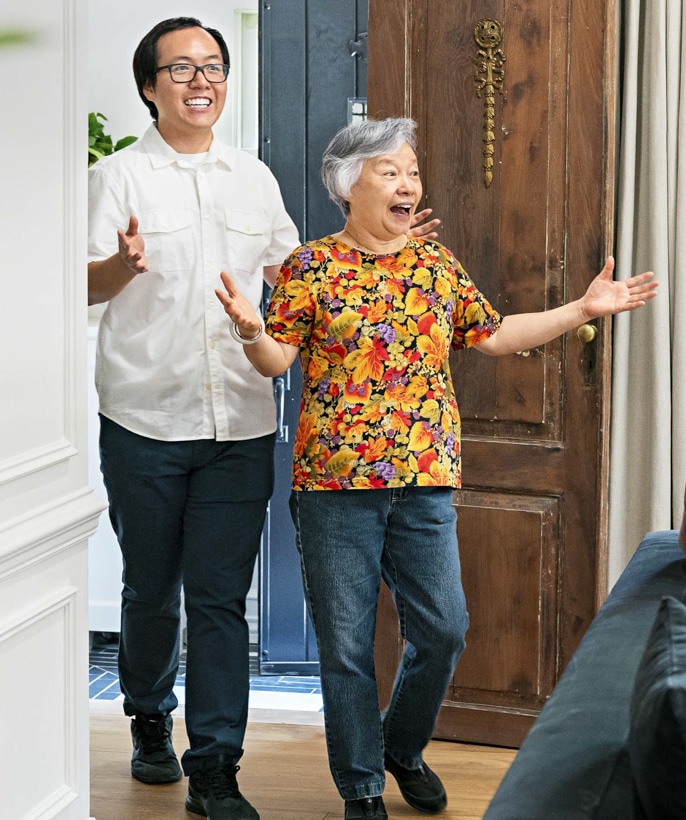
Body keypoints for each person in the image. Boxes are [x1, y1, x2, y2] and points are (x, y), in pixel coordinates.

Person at [214, 116, 658, 820]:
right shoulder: (311, 267)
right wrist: (250, 334)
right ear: (346, 185)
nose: (408, 183)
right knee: (347, 646)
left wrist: (581, 308)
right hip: (335, 485)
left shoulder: (436, 265)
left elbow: (496, 335)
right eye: (390, 171)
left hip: (424, 477)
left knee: (444, 627)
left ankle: (401, 745)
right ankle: (362, 788)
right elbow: (279, 361)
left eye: (412, 171)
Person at [88, 18, 437, 820]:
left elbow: (299, 273)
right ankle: (149, 714)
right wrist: (118, 265)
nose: (198, 80)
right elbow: (79, 284)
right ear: (149, 86)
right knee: (152, 590)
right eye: (180, 68)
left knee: (218, 598)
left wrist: (382, 244)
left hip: (240, 424)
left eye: (211, 66)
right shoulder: (116, 178)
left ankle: (215, 770)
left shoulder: (254, 179)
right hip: (142, 419)